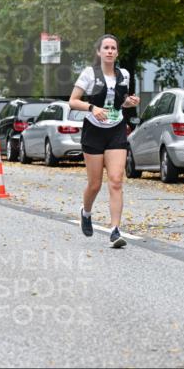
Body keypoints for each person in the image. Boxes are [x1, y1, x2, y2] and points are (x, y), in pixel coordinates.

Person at [67, 34, 140, 249]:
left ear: (117, 53)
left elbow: (120, 102)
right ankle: (86, 212)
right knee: (95, 183)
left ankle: (115, 230)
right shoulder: (90, 74)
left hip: (116, 129)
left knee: (116, 180)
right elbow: (72, 101)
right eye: (105, 48)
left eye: (113, 48)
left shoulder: (123, 74)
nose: (109, 51)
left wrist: (131, 102)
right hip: (94, 131)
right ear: (99, 52)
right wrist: (92, 108)